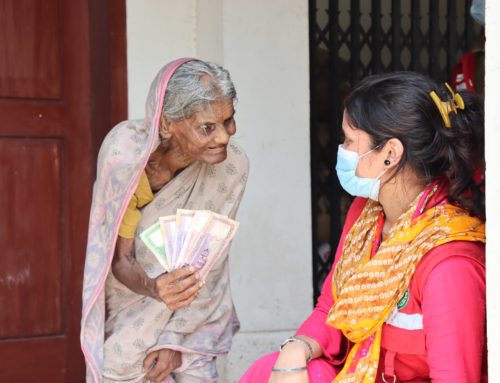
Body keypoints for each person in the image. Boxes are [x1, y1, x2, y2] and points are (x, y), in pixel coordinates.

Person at [240, 71, 486, 383]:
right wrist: (295, 349)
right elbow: (331, 306)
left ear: (390, 155)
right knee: (271, 369)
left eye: (350, 140)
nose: (342, 150)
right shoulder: (367, 214)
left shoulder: (449, 262)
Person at [81, 58, 249, 383]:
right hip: (133, 298)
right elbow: (119, 258)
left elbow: (209, 264)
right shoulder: (125, 155)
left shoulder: (233, 166)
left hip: (190, 309)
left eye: (229, 121)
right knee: (119, 364)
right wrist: (155, 289)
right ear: (168, 123)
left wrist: (176, 341)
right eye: (207, 127)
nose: (226, 137)